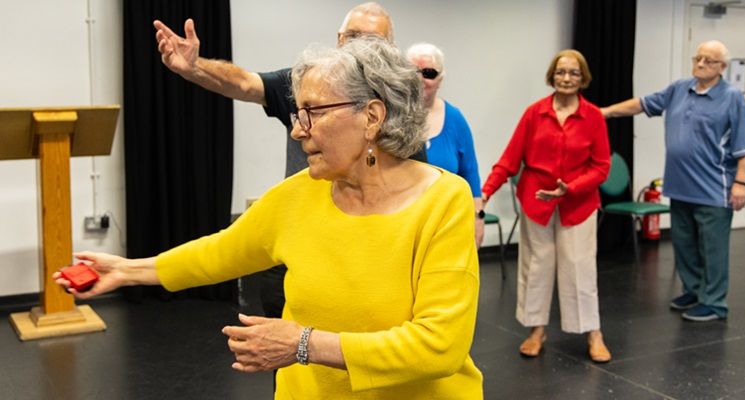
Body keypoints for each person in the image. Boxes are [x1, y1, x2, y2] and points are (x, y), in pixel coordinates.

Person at [55, 37, 483, 399]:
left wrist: (303, 345)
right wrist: (128, 270)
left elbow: (439, 346)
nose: (299, 129)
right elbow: (221, 252)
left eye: (313, 112)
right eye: (298, 113)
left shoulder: (442, 200)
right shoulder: (299, 194)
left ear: (371, 116)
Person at [153, 2, 425, 323]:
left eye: (372, 41)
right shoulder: (306, 83)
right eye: (352, 36)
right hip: (296, 258)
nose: (301, 130)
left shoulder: (401, 116)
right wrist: (195, 67)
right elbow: (243, 82)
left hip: (365, 267)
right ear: (338, 38)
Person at [601, 40, 745, 322]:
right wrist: (606, 112)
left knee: (712, 248)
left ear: (722, 67)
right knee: (684, 244)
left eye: (709, 61)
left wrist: (740, 183)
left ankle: (714, 302)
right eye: (698, 58)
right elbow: (642, 104)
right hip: (680, 186)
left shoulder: (732, 98)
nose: (700, 64)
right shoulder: (679, 89)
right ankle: (694, 291)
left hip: (714, 189)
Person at [482, 49, 612, 363]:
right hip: (536, 202)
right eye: (561, 72)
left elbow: (601, 166)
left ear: (583, 79)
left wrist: (572, 188)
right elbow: (510, 159)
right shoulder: (534, 113)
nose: (566, 78)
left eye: (574, 73)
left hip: (578, 204)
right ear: (552, 76)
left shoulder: (593, 116)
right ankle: (536, 330)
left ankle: (593, 332)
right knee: (536, 267)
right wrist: (484, 192)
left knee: (579, 268)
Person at [406, 43, 484, 246]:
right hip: (403, 224)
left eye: (428, 73)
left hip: (447, 225)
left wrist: (478, 218)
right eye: (413, 71)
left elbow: (470, 172)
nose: (419, 78)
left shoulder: (455, 118)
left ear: (440, 79)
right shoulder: (388, 117)